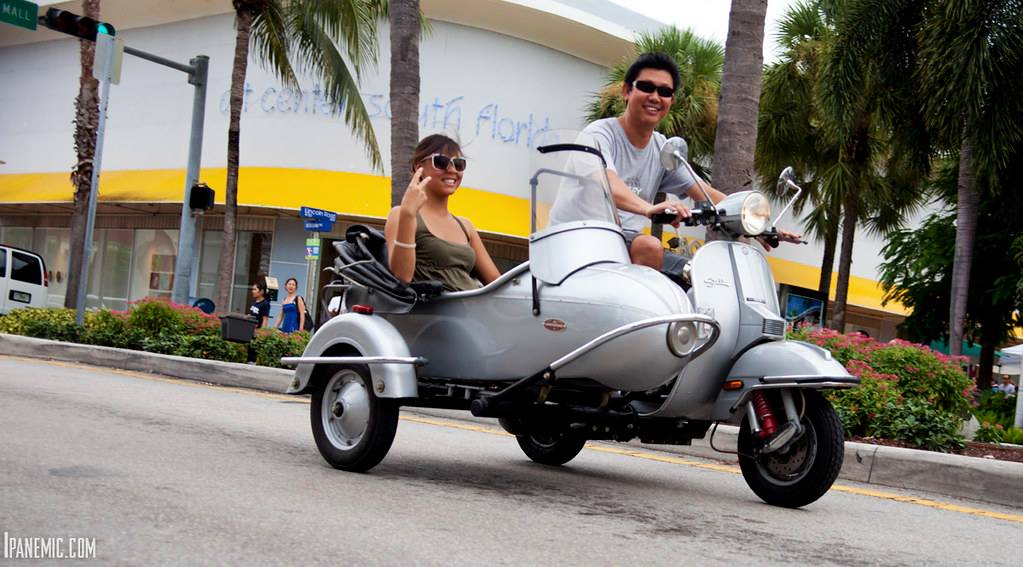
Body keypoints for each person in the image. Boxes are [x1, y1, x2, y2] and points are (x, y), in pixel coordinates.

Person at [583, 52, 799, 273]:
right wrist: (648, 208)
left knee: (695, 275)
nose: (655, 97)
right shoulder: (599, 134)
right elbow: (606, 183)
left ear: (671, 101)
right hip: (580, 239)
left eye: (665, 92)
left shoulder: (663, 149)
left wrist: (760, 226)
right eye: (647, 87)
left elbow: (706, 194)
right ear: (627, 91)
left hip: (626, 244)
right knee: (650, 245)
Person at [384, 134, 501, 291]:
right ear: (419, 167)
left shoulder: (465, 226)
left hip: (474, 309)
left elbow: (496, 282)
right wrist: (408, 214)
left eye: (458, 164)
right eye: (441, 162)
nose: (452, 170)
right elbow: (402, 276)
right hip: (435, 312)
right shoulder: (401, 214)